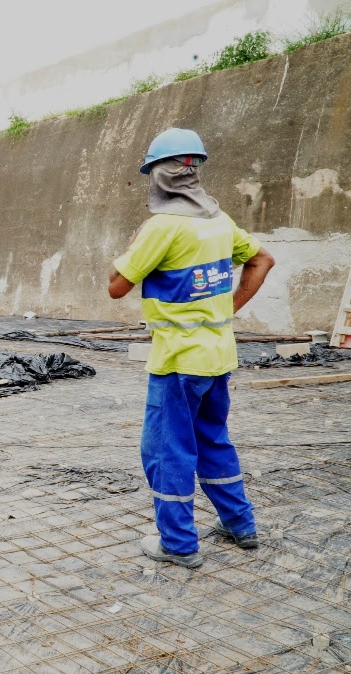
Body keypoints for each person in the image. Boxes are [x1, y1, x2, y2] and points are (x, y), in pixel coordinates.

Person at [108, 128, 275, 569]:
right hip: (218, 355)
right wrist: (227, 308)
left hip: (179, 361)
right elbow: (262, 260)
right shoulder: (219, 222)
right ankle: (241, 526)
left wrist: (133, 246)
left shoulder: (162, 226)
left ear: (158, 176)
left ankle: (178, 545)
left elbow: (116, 286)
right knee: (212, 439)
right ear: (194, 169)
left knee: (167, 450)